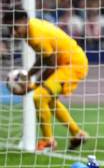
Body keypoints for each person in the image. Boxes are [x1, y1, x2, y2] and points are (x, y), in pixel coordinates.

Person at [2, 9, 89, 152]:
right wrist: (29, 75)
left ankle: (48, 141)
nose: (13, 33)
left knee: (39, 96)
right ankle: (77, 133)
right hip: (67, 62)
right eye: (9, 29)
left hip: (72, 65)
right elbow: (43, 57)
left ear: (24, 20)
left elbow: (51, 66)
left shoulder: (36, 36)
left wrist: (33, 86)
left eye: (15, 28)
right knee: (50, 101)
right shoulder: (31, 29)